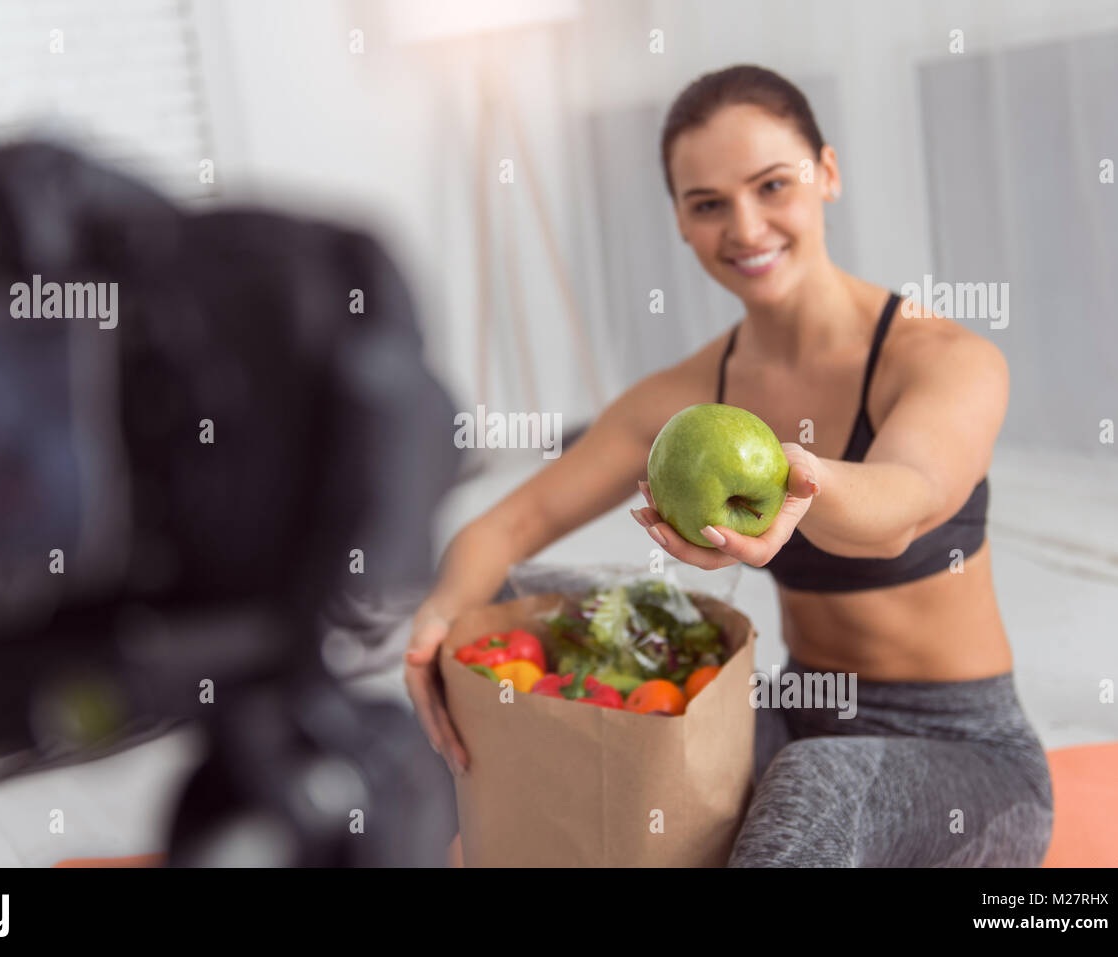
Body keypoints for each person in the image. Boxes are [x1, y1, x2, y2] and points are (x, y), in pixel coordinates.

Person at [404, 64, 1054, 867]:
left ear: (828, 173)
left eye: (772, 185)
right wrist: (434, 628)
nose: (745, 228)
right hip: (789, 715)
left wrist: (796, 483)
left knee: (816, 788)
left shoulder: (945, 358)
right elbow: (509, 524)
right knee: (504, 605)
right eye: (707, 203)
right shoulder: (683, 401)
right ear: (680, 220)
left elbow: (907, 505)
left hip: (965, 757)